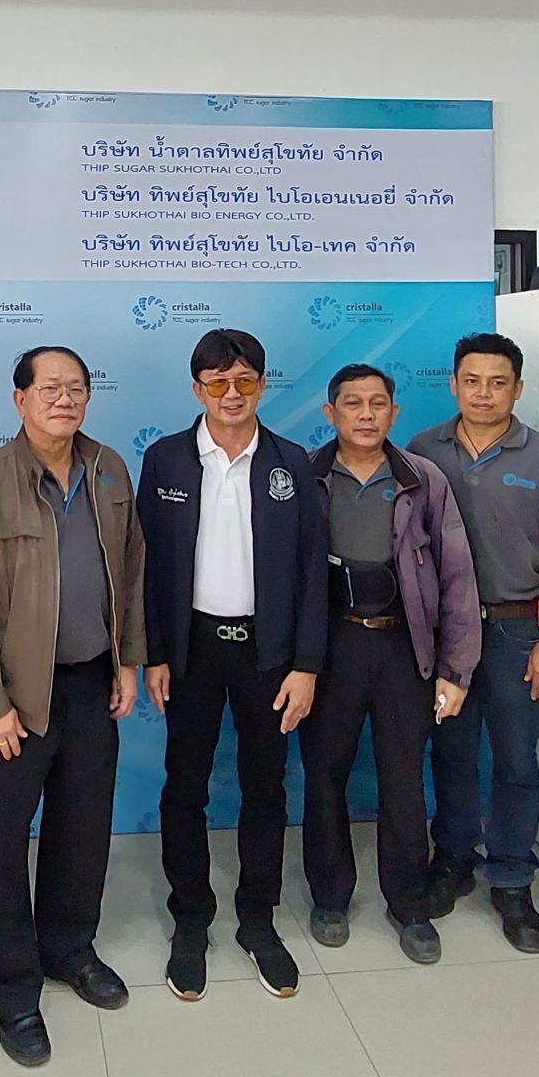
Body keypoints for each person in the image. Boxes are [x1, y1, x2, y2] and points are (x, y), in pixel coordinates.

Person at [0, 345, 146, 1067]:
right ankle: (13, 990)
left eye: (76, 388)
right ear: (20, 399)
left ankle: (69, 948)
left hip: (91, 681)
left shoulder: (109, 468)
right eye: (50, 388)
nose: (65, 399)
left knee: (82, 829)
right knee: (1, 847)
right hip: (16, 696)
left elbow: (131, 570)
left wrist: (127, 659)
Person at [136, 328, 327, 1003]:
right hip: (190, 648)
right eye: (217, 382)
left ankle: (258, 919)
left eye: (244, 380)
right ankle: (191, 919)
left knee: (265, 787)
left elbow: (312, 569)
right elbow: (145, 566)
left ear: (262, 386)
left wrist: (306, 664)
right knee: (184, 785)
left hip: (268, 654)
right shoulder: (165, 460)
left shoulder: (291, 463)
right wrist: (154, 652)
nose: (231, 394)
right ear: (198, 389)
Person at [406, 333, 539, 952]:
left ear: (518, 388)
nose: (483, 393)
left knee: (515, 757)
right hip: (445, 634)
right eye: (472, 381)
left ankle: (512, 877)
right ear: (453, 384)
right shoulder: (422, 450)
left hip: (517, 628)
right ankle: (454, 858)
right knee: (451, 750)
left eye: (498, 382)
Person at [302, 364, 481, 964]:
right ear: (330, 413)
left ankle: (409, 903)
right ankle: (330, 897)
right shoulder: (305, 476)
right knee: (324, 772)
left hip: (404, 647)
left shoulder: (422, 479)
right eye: (352, 403)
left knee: (403, 777)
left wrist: (455, 669)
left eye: (377, 403)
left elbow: (456, 576)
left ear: (394, 412)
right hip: (330, 647)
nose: (365, 414)